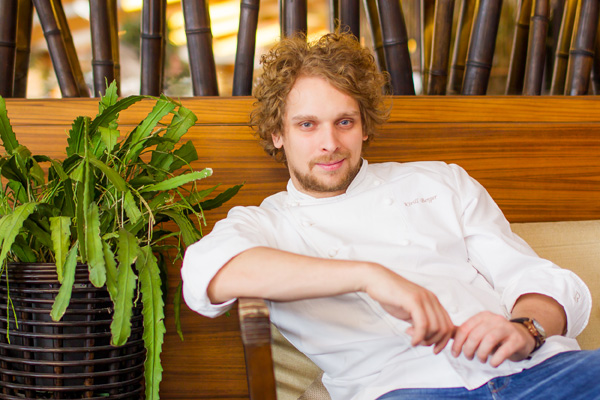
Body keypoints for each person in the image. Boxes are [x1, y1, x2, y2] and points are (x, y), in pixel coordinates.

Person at [181, 32, 598, 400]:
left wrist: (526, 329)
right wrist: (370, 276)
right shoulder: (264, 223)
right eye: (307, 125)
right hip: (403, 389)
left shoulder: (440, 180)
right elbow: (207, 274)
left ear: (364, 127)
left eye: (344, 121)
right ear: (278, 133)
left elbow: (531, 276)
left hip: (540, 372)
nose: (330, 143)